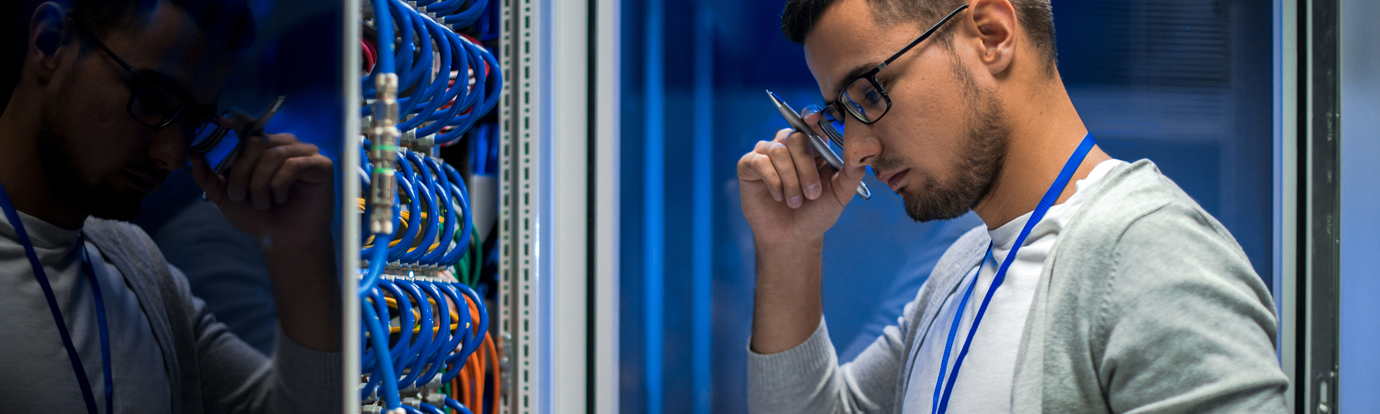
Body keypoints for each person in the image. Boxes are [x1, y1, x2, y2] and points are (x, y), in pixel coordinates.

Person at [739, 0, 1289, 412]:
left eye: (869, 92)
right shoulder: (958, 271)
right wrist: (790, 247)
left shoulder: (1153, 255)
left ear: (991, 34)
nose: (856, 150)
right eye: (842, 114)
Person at [0, 0, 340, 412]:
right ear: (50, 43)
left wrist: (300, 248)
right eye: (153, 100)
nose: (173, 155)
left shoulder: (138, 268)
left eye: (192, 123)